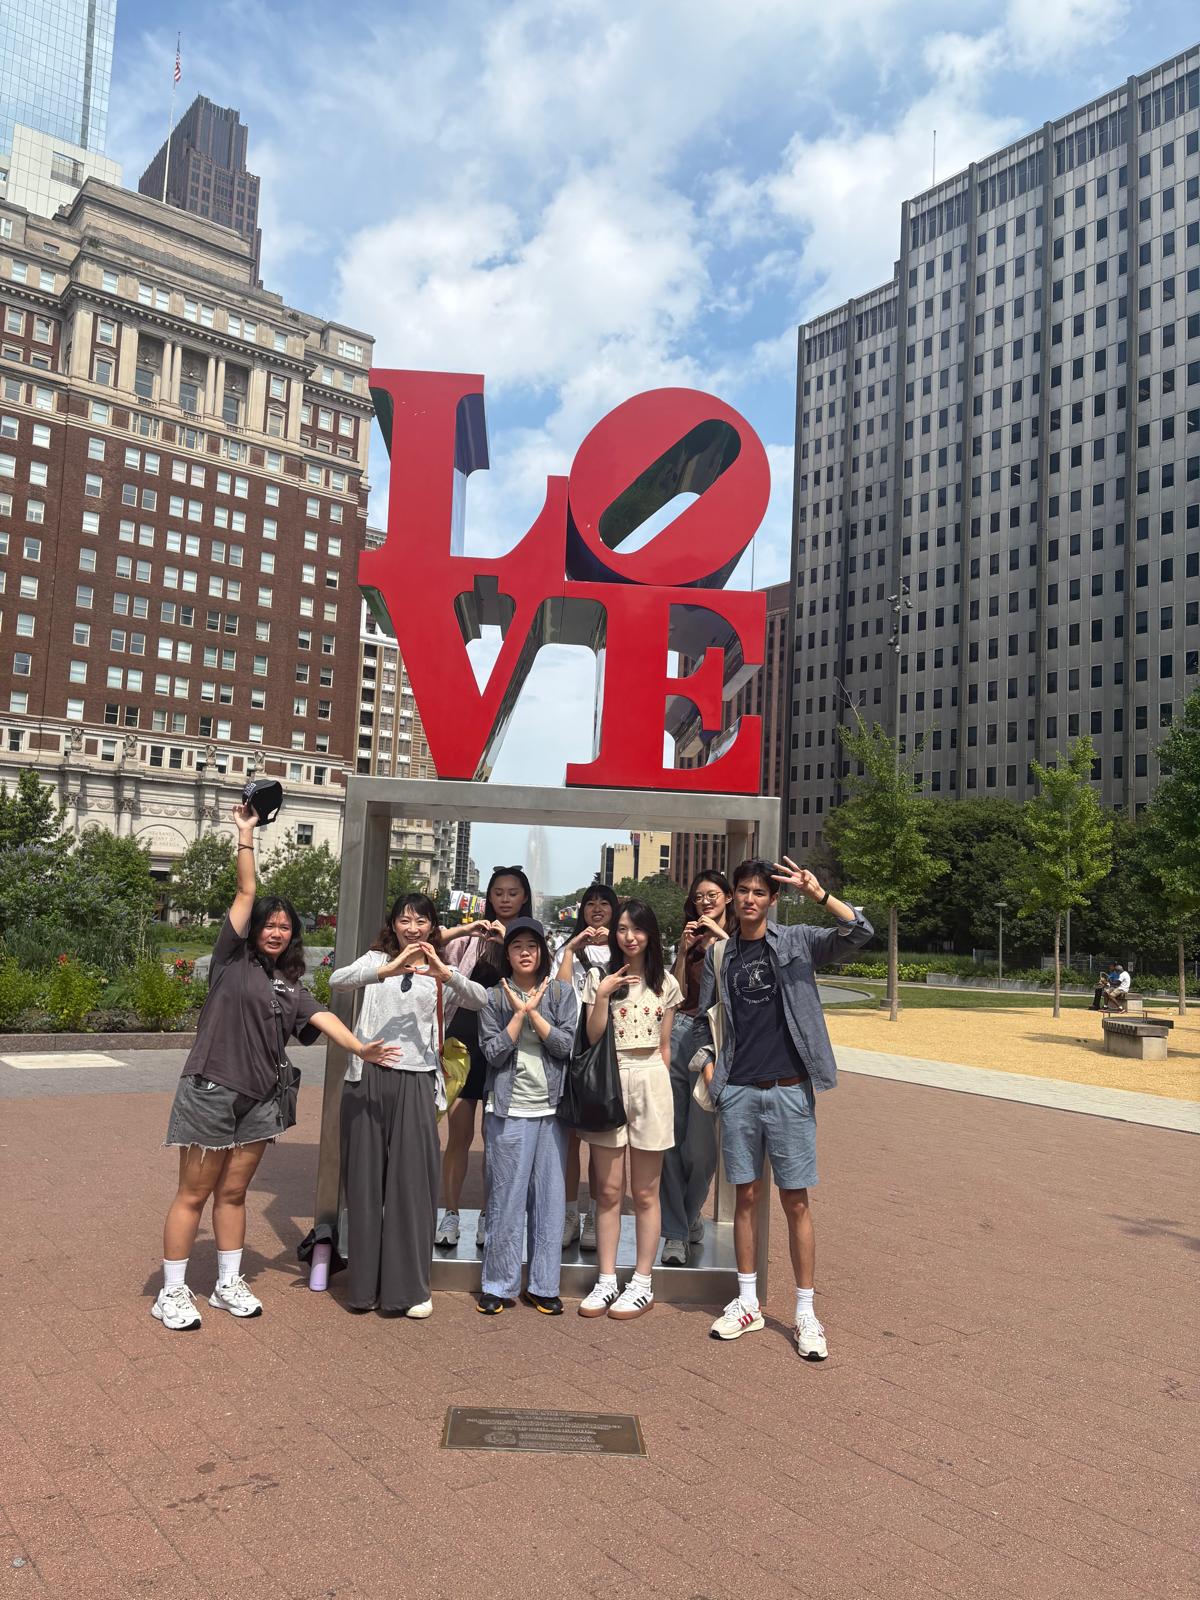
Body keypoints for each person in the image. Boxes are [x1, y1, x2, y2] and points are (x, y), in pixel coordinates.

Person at [153, 802, 402, 1333]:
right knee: (194, 1193)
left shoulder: (289, 986)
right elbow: (246, 891)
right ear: (254, 930)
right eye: (269, 924)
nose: (277, 932)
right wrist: (246, 833)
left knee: (233, 1193)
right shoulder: (232, 960)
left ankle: (227, 1282)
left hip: (260, 1100)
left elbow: (324, 1017)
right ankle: (171, 1291)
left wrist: (360, 1048)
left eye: (285, 927)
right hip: (211, 1089)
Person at [696, 856, 873, 1360]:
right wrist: (709, 1071)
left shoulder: (797, 941)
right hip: (739, 1091)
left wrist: (820, 895)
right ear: (732, 897)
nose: (750, 899)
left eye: (759, 892)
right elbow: (705, 1022)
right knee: (745, 1198)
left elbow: (860, 932)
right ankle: (748, 1302)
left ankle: (805, 1312)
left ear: (772, 899)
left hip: (790, 1090)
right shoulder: (720, 955)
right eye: (743, 890)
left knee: (795, 1200)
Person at [331, 894, 488, 1316]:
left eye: (421, 921)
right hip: (368, 1077)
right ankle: (364, 1287)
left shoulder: (440, 968)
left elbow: (480, 999)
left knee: (413, 1185)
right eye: (404, 920)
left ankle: (409, 1290)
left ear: (433, 926)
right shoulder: (376, 959)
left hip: (418, 1079)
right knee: (365, 1184)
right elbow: (338, 980)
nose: (412, 928)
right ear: (393, 924)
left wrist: (445, 974)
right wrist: (387, 969)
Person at [578, 900, 682, 1321]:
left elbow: (665, 1046)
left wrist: (660, 1086)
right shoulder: (598, 977)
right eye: (622, 928)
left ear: (650, 934)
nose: (629, 937)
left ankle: (641, 1280)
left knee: (644, 1192)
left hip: (651, 1079)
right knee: (607, 1191)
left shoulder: (666, 983)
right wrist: (603, 995)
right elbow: (592, 1035)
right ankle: (606, 1278)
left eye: (637, 929)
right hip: (610, 1079)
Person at [476, 920, 578, 1314]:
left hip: (551, 1110)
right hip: (508, 1108)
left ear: (542, 952)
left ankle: (543, 1285)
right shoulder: (492, 997)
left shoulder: (561, 993)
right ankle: (497, 1284)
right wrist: (518, 1016)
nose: (524, 952)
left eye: (531, 945)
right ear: (507, 954)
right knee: (505, 1198)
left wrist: (535, 1014)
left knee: (549, 1202)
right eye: (517, 945)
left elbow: (565, 1046)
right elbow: (492, 1053)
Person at [436, 866, 536, 1250]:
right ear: (488, 896)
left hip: (505, 1045)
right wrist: (467, 931)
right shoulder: (471, 936)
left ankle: (487, 1216)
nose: (505, 898)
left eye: (513, 892)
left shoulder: (528, 940)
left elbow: (536, 980)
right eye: (498, 892)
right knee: (458, 1136)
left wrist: (508, 941)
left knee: (495, 1141)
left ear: (524, 897)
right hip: (463, 1043)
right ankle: (450, 1213)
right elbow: (431, 945)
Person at [660, 870, 734, 1266]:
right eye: (699, 896)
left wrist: (719, 939)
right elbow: (675, 993)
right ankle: (676, 1232)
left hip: (715, 1041)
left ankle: (689, 1215)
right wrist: (683, 950)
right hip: (680, 1031)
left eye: (712, 894)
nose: (705, 901)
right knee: (670, 1138)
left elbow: (737, 979)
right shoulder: (689, 938)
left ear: (727, 898)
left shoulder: (736, 938)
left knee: (702, 1146)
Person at [554, 882, 619, 1251]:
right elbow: (560, 993)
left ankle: (595, 1214)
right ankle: (569, 1215)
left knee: (599, 1139)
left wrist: (616, 943)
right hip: (570, 1048)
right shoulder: (567, 947)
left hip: (608, 1050)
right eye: (590, 904)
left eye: (603, 903)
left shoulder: (623, 946)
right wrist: (571, 950)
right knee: (569, 1139)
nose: (596, 909)